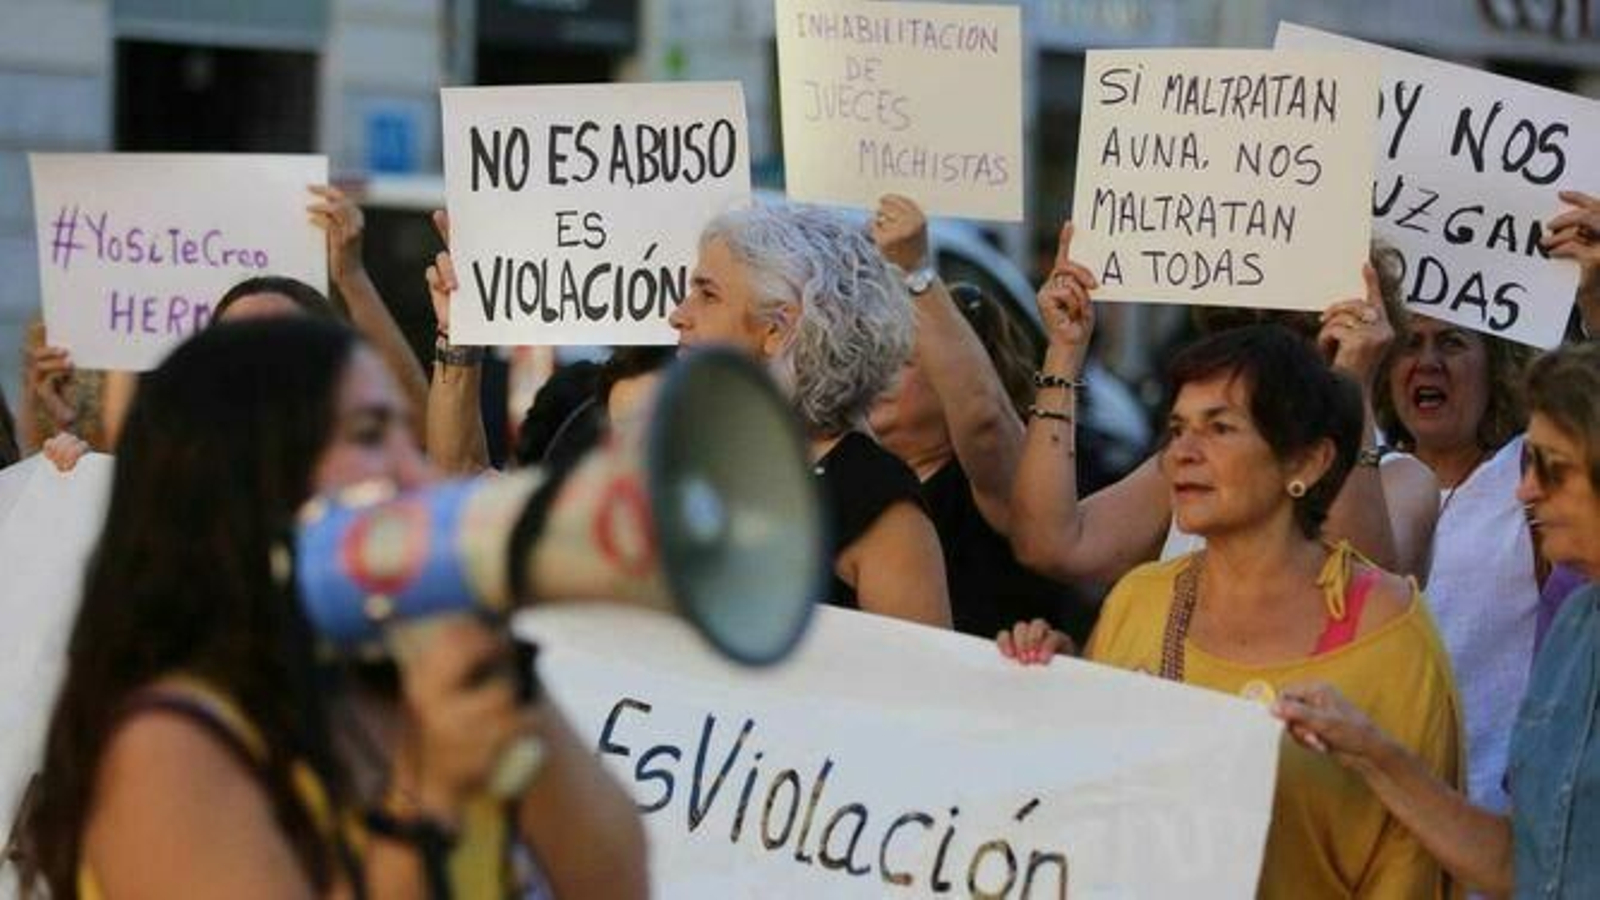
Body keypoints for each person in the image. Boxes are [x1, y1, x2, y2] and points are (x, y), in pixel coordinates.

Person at [12, 318, 647, 898]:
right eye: (371, 434)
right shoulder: (170, 749)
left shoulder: (403, 676)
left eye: (406, 432)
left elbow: (615, 882)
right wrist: (430, 802)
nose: (416, 474)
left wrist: (508, 673)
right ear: (249, 474)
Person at [1002, 324, 1461, 898]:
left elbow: (1409, 863)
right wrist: (1057, 687)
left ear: (1308, 462)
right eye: (1176, 430)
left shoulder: (1389, 633)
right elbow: (1094, 808)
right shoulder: (1139, 601)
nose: (1183, 453)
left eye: (1219, 428)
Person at [1274, 340, 1600, 898]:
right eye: (1529, 464)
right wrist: (1370, 751)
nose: (1525, 489)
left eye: (1555, 469)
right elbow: (1521, 865)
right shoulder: (1575, 627)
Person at [1009, 222, 1439, 591]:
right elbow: (1052, 542)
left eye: (1302, 330)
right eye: (1244, 328)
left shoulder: (1402, 481)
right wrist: (1065, 350)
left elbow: (1355, 590)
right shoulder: (1192, 462)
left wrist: (1353, 382)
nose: (1267, 358)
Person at [671, 202, 950, 627]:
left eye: (707, 295)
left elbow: (920, 685)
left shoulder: (874, 501)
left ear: (777, 330)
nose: (678, 315)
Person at [19, 184, 428, 453]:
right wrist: (65, 447)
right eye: (239, 339)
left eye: (276, 339)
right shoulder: (189, 484)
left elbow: (420, 433)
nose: (255, 356)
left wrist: (352, 278)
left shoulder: (349, 473)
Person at [868, 195, 1092, 642]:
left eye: (904, 360)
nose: (879, 372)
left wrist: (914, 270)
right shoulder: (859, 476)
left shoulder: (1003, 486)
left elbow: (983, 420)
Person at [1373, 314, 1536, 816]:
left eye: (1452, 342)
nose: (1428, 362)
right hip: (1371, 820)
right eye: (1408, 344)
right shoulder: (1353, 481)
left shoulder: (1535, 477)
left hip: (1496, 828)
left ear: (1497, 369)